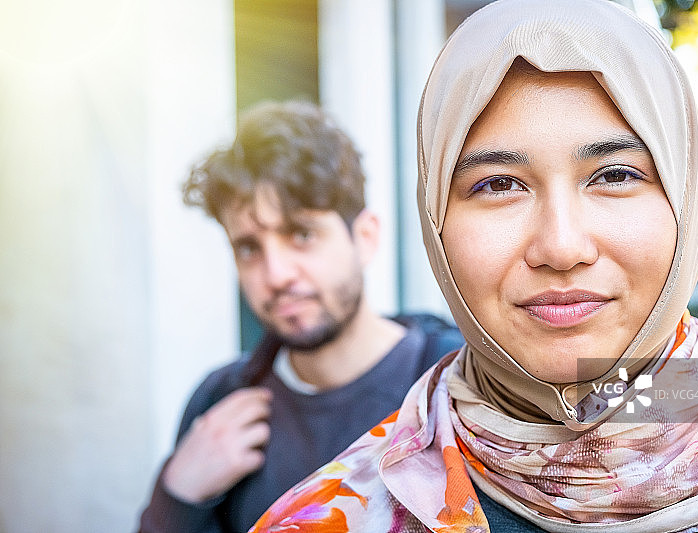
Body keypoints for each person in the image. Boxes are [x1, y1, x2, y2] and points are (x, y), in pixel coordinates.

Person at [247, 1, 698, 532]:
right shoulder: (328, 517)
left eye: (613, 175)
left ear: (687, 197)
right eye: (497, 185)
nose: (561, 248)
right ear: (435, 218)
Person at [137, 100, 462, 533]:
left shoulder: (453, 380)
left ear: (364, 238)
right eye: (250, 248)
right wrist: (178, 496)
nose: (276, 275)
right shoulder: (222, 402)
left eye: (302, 235)